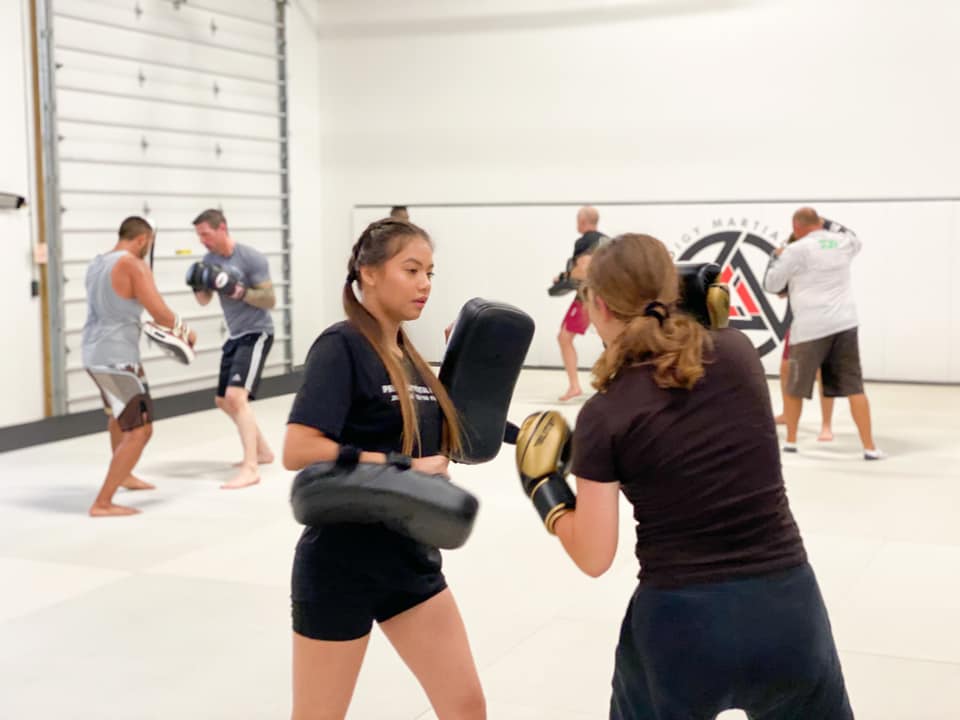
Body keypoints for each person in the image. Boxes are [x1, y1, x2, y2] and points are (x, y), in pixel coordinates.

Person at [516, 233, 853, 719]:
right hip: (787, 608)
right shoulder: (739, 355)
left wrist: (544, 489)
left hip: (682, 624)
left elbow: (594, 556)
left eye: (588, 304)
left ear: (603, 307)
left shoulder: (605, 413)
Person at [282, 218, 486, 720]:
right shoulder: (343, 346)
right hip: (340, 561)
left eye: (430, 273)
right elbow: (298, 447)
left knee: (465, 707)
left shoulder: (411, 356)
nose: (425, 284)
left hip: (408, 556)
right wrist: (400, 466)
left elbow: (448, 448)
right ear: (368, 273)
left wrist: (470, 370)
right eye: (411, 269)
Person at [82, 216, 196, 517]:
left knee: (118, 418)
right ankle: (103, 502)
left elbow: (118, 305)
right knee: (140, 431)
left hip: (95, 354)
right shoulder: (133, 264)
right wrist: (185, 330)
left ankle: (125, 474)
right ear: (143, 239)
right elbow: (158, 310)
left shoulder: (97, 263)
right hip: (118, 360)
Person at [764, 208, 883, 459]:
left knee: (795, 387)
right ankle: (870, 447)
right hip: (845, 324)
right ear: (820, 223)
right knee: (855, 387)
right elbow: (854, 237)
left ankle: (792, 442)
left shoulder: (796, 250)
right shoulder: (841, 242)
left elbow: (771, 284)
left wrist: (775, 258)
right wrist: (826, 222)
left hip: (809, 327)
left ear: (796, 227)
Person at [187, 209, 277, 488]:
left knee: (237, 398)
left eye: (206, 234)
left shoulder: (251, 258)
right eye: (199, 235)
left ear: (222, 228)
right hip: (236, 335)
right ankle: (262, 451)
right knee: (223, 401)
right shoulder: (209, 259)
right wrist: (199, 282)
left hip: (257, 332)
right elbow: (203, 301)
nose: (202, 240)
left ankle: (251, 468)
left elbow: (269, 299)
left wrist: (240, 292)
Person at [772, 234, 834, 440]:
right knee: (785, 368)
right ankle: (787, 414)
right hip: (800, 321)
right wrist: (779, 263)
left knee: (821, 372)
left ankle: (826, 425)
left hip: (824, 321)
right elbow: (781, 292)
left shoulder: (823, 260)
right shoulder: (795, 265)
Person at [556, 205, 607, 401]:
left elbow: (584, 269)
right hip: (607, 295)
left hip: (588, 297)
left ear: (583, 221)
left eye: (578, 219)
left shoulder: (585, 241)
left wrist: (564, 276)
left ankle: (574, 386)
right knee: (610, 340)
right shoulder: (606, 239)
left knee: (564, 337)